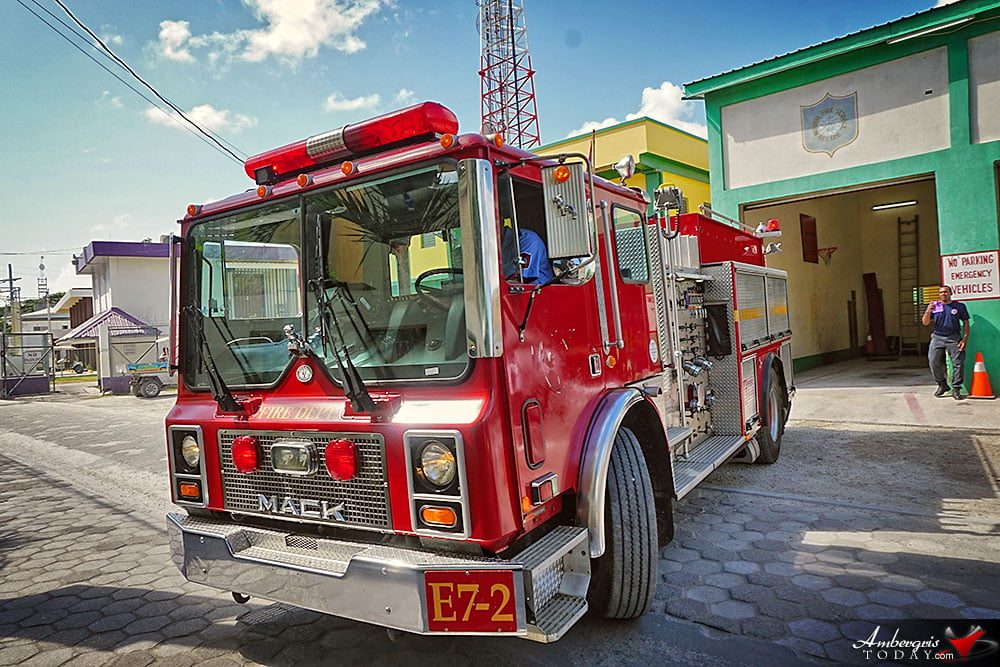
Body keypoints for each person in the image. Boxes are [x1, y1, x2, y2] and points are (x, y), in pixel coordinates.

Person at [921, 285, 970, 400]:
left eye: (946, 292)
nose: (943, 294)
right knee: (933, 361)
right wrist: (928, 311)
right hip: (937, 337)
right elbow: (925, 322)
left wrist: (965, 339)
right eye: (941, 292)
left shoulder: (959, 306)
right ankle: (942, 384)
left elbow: (966, 323)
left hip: (953, 337)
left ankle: (956, 388)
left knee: (958, 363)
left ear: (950, 293)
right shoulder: (935, 306)